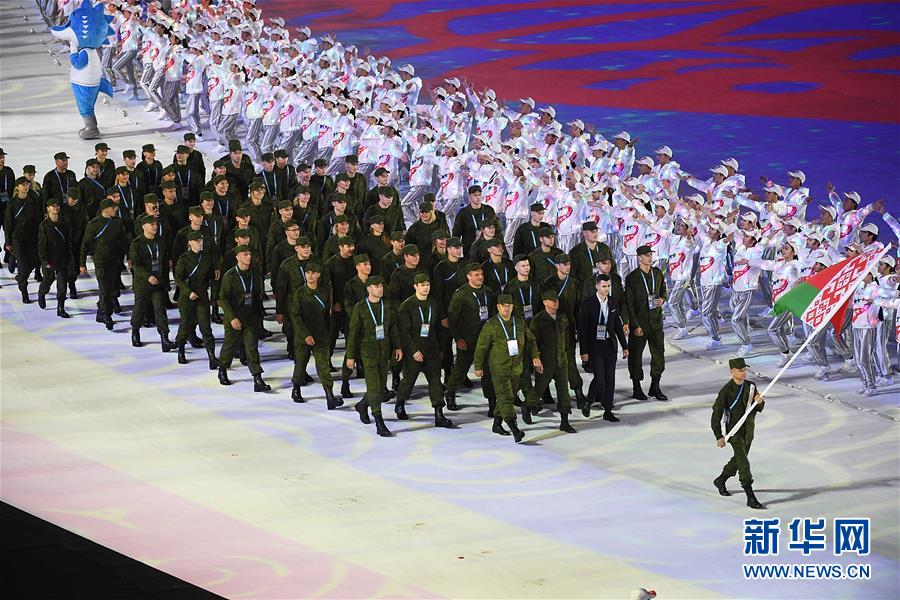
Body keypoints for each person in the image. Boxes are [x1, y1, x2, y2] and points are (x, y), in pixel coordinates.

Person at [474, 294, 541, 443]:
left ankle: (497, 424)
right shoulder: (491, 325)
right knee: (505, 398)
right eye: (503, 306)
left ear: (512, 307)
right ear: (498, 307)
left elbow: (531, 341)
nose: (506, 308)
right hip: (499, 369)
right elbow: (481, 348)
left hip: (516, 368)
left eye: (508, 305)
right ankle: (514, 428)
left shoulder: (519, 322)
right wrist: (478, 366)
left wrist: (535, 356)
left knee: (508, 396)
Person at [345, 276, 403, 437]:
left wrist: (398, 346)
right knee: (374, 387)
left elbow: (393, 328)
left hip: (384, 351)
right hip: (368, 351)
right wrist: (350, 356)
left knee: (380, 386)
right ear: (369, 289)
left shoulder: (387, 306)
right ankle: (379, 420)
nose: (380, 289)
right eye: (376, 286)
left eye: (381, 286)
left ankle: (363, 404)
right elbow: (353, 333)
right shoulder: (361, 308)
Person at [395, 273, 454, 427]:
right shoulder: (407, 306)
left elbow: (437, 327)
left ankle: (439, 413)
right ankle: (400, 403)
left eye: (427, 285)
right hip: (414, 350)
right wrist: (413, 351)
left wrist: (440, 348)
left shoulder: (433, 303)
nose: (426, 288)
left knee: (435, 381)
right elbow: (404, 332)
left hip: (431, 349)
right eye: (422, 285)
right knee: (408, 380)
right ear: (415, 286)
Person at [711, 357, 765, 509]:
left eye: (745, 370)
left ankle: (721, 480)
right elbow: (716, 415)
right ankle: (750, 496)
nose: (743, 373)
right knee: (743, 463)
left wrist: (760, 402)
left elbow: (758, 408)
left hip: (749, 431)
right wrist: (719, 435)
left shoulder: (751, 386)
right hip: (734, 432)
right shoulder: (726, 391)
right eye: (740, 371)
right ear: (732, 372)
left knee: (739, 459)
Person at [217, 245, 271, 392]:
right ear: (237, 257)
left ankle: (257, 378)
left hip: (250, 318)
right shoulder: (230, 276)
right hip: (234, 318)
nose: (248, 257)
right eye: (245, 254)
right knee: (229, 346)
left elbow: (257, 296)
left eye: (249, 254)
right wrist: (232, 318)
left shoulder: (255, 274)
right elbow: (223, 299)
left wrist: (259, 318)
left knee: (252, 348)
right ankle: (222, 369)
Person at [290, 261, 342, 409]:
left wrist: (327, 333)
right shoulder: (300, 293)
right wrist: (305, 335)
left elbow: (327, 314)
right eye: (307, 273)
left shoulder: (324, 292)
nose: (310, 275)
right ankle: (296, 389)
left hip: (321, 335)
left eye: (313, 273)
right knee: (301, 364)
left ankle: (330, 396)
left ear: (318, 274)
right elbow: (296, 316)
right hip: (303, 336)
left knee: (324, 366)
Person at [445, 263, 496, 412]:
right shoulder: (461, 294)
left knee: (487, 371)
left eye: (481, 274)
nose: (480, 277)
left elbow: (492, 314)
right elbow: (452, 319)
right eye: (476, 275)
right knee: (461, 369)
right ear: (468, 276)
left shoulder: (488, 292)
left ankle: (492, 402)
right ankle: (450, 394)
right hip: (467, 339)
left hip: (485, 339)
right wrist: (458, 338)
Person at [578, 274, 629, 422]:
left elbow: (617, 325)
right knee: (600, 378)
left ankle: (608, 410)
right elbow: (583, 329)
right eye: (603, 286)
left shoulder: (613, 302)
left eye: (608, 286)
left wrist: (625, 346)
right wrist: (584, 351)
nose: (606, 289)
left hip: (609, 345)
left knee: (610, 379)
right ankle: (588, 402)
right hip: (595, 346)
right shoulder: (588, 303)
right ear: (597, 286)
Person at [527, 291, 577, 432]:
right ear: (545, 302)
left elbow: (567, 339)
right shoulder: (538, 319)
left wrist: (567, 356)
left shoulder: (563, 318)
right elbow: (532, 342)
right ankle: (527, 406)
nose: (555, 303)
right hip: (545, 361)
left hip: (561, 361)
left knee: (564, 391)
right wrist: (535, 359)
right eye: (552, 300)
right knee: (539, 389)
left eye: (556, 300)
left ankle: (565, 421)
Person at [624, 245, 668, 401]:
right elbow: (629, 304)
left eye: (651, 255)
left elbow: (664, 291)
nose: (650, 257)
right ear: (640, 258)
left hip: (656, 322)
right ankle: (636, 387)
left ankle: (655, 386)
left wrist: (662, 299)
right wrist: (634, 325)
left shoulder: (657, 273)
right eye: (647, 255)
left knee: (659, 354)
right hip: (640, 322)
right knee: (636, 356)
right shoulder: (632, 277)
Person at [172, 230, 219, 370]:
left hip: (202, 295)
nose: (200, 243)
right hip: (186, 297)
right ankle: (181, 351)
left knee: (206, 327)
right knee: (185, 325)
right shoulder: (184, 259)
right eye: (197, 241)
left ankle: (212, 356)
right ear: (190, 243)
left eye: (201, 240)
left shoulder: (206, 257)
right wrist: (188, 292)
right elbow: (178, 279)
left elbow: (211, 277)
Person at [129, 214, 177, 352]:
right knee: (139, 308)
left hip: (158, 282)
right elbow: (135, 265)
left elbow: (164, 262)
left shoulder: (160, 241)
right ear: (144, 227)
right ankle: (135, 332)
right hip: (143, 283)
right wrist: (148, 276)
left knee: (160, 310)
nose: (155, 227)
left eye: (156, 224)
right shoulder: (137, 243)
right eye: (152, 225)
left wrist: (165, 281)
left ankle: (165, 338)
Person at [80, 199, 129, 330]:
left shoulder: (117, 223)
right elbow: (85, 244)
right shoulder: (93, 224)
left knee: (110, 288)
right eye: (113, 208)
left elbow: (124, 241)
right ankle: (107, 315)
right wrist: (82, 263)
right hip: (100, 260)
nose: (115, 210)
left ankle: (100, 311)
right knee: (104, 288)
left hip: (114, 260)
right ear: (106, 209)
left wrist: (129, 257)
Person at [4, 178, 42, 303]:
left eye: (27, 185)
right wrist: (8, 241)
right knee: (23, 267)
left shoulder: (33, 201)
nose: (26, 187)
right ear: (17, 187)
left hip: (31, 237)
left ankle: (19, 275)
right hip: (18, 237)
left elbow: (38, 219)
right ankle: (24, 291)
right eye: (23, 185)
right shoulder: (12, 203)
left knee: (33, 262)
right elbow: (8, 223)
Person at [36, 197, 74, 318]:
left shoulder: (64, 223)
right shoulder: (44, 225)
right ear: (48, 208)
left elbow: (68, 241)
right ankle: (42, 293)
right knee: (48, 280)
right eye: (53, 206)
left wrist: (70, 257)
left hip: (62, 258)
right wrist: (44, 260)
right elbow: (42, 244)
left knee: (62, 285)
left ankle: (60, 307)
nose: (56, 208)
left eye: (57, 205)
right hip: (50, 259)